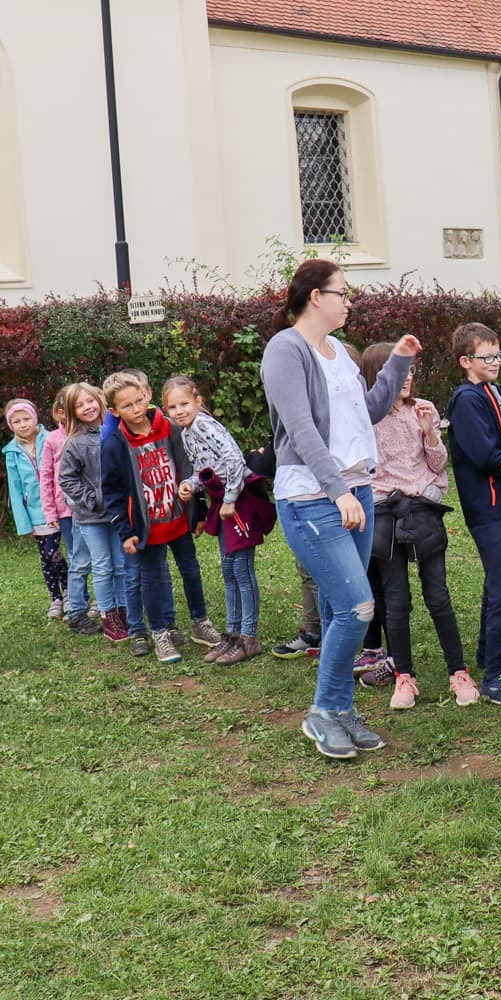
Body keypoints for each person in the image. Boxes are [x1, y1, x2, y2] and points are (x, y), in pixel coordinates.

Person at [259, 259, 419, 759]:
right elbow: (301, 428)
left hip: (356, 491)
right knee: (357, 606)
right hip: (314, 498)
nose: (349, 301)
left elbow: (366, 412)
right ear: (315, 297)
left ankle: (341, 709)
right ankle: (323, 712)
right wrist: (337, 491)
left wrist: (397, 362)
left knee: (337, 609)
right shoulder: (286, 350)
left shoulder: (337, 353)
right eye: (342, 293)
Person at [357, 341, 478, 709]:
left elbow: (438, 464)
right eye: (399, 371)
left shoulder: (423, 409)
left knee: (438, 594)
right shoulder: (365, 417)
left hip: (423, 511)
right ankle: (404, 677)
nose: (407, 377)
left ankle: (458, 672)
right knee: (396, 600)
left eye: (410, 370)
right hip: (386, 513)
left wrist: (429, 432)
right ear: (379, 378)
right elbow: (363, 469)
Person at [100, 371, 224, 665]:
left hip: (178, 520)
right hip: (147, 528)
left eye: (138, 400)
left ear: (147, 395)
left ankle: (200, 622)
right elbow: (112, 492)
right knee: (152, 579)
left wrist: (199, 511)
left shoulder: (170, 428)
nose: (135, 409)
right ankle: (159, 633)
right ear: (114, 411)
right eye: (126, 406)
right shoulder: (114, 444)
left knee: (191, 570)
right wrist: (125, 531)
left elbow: (192, 469)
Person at [446, 322, 501, 708]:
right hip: (486, 504)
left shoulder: (498, 392)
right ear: (466, 361)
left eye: (498, 354)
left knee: (497, 580)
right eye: (486, 357)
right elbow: (484, 455)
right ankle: (496, 676)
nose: (495, 361)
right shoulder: (466, 400)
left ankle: (488, 652)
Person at [164, 375, 274, 665]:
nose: (179, 411)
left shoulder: (203, 424)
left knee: (241, 569)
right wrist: (190, 484)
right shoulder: (186, 432)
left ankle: (249, 637)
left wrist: (230, 498)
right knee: (228, 568)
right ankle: (232, 634)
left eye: (184, 404)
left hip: (239, 501)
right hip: (222, 501)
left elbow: (234, 459)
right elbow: (203, 469)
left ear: (198, 401)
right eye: (172, 407)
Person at [56, 382, 128, 642]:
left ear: (99, 400)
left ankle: (125, 611)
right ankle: (108, 615)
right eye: (79, 405)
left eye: (90, 401)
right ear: (72, 412)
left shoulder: (117, 432)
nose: (87, 407)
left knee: (121, 565)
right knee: (102, 566)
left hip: (118, 513)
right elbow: (67, 479)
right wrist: (93, 500)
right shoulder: (74, 443)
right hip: (91, 517)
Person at [5, 398, 68, 619]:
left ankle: (70, 592)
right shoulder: (11, 452)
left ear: (35, 418)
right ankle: (56, 598)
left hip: (59, 507)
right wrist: (24, 524)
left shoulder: (51, 438)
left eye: (26, 419)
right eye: (17, 421)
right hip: (35, 514)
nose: (23, 424)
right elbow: (15, 489)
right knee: (47, 557)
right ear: (10, 425)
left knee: (55, 552)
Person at [39, 391, 81, 605]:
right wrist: (49, 512)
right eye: (63, 410)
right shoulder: (52, 439)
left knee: (100, 556)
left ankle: (105, 602)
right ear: (59, 413)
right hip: (65, 510)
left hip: (90, 508)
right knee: (75, 556)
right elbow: (45, 477)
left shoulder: (89, 433)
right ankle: (79, 601)